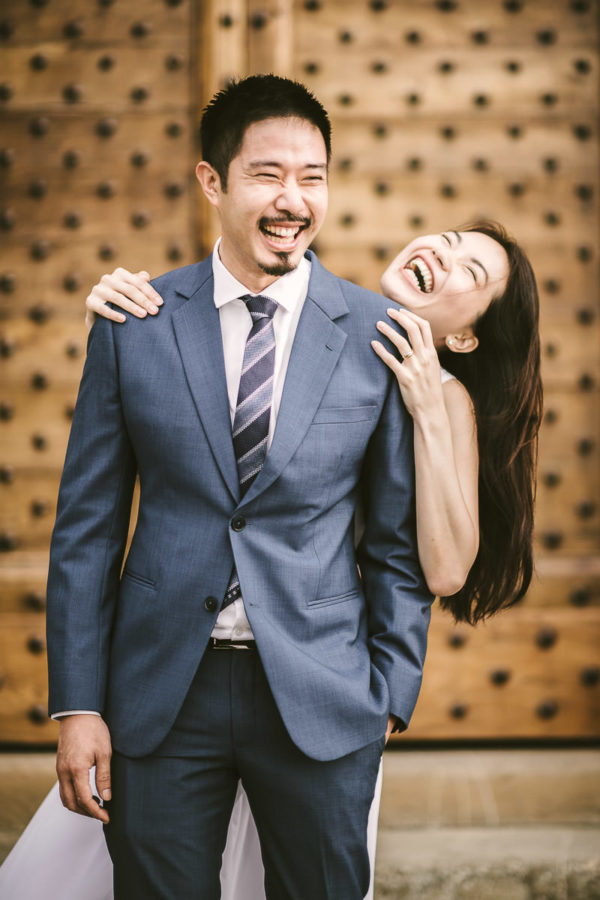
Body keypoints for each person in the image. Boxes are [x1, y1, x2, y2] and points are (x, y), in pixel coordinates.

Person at [0, 217, 542, 899]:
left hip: (319, 693)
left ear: (465, 337)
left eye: (471, 270)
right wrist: (122, 321)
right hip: (171, 676)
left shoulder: (441, 396)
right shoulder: (323, 321)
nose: (443, 252)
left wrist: (384, 704)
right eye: (450, 239)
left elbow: (437, 570)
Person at [42, 73, 434, 900]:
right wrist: (76, 704)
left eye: (313, 176)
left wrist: (390, 693)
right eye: (267, 175)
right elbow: (87, 530)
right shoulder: (134, 325)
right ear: (212, 181)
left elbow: (396, 541)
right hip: (157, 699)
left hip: (324, 696)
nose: (293, 199)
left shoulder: (378, 336)